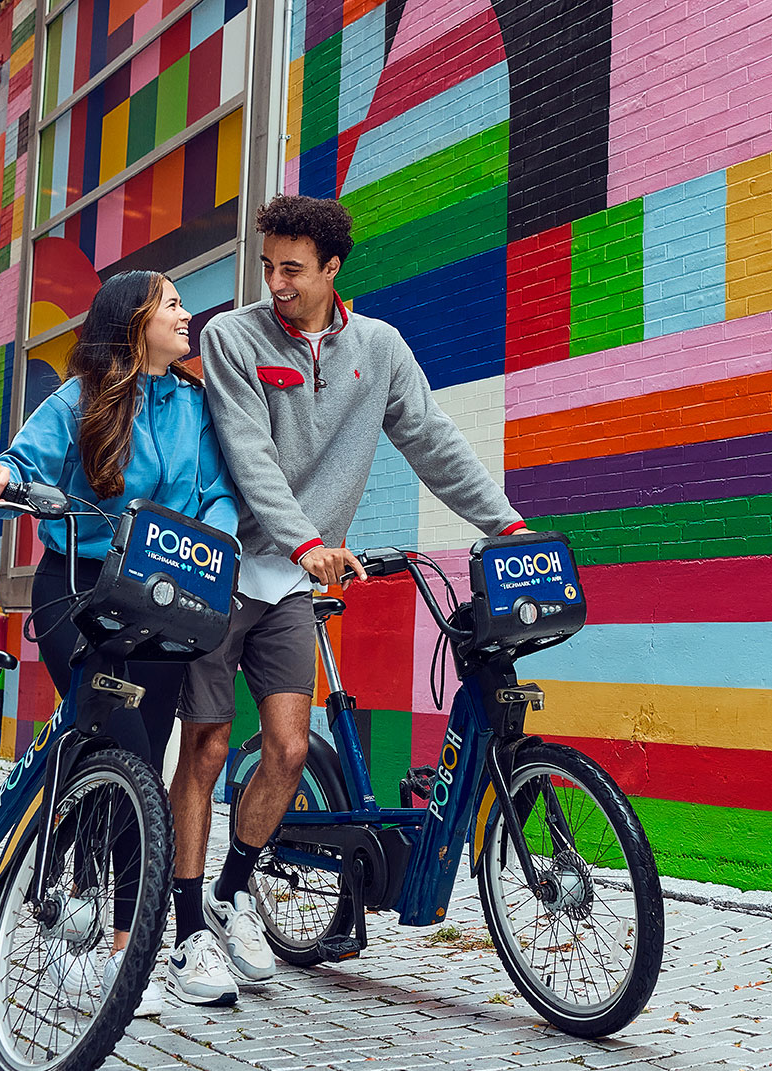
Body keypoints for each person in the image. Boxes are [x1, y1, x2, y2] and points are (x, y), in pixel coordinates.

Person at [171, 195, 527, 985]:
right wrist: (307, 540)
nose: (276, 283)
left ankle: (232, 897)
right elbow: (249, 451)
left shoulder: (380, 349)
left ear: (333, 270)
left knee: (292, 749)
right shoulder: (234, 337)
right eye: (268, 266)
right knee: (207, 747)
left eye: (292, 269)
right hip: (221, 568)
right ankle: (188, 926)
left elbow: (431, 438)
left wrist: (504, 526)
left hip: (289, 581)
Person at [0, 269, 242, 1013]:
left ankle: (106, 929)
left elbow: (217, 488)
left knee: (140, 767)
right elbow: (18, 469)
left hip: (160, 594)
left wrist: (210, 535)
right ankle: (107, 942)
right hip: (78, 590)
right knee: (118, 746)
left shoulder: (193, 404)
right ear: (134, 319)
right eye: (174, 304)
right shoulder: (79, 398)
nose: (188, 316)